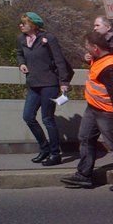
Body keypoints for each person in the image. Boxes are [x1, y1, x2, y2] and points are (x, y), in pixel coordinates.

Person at [61, 31, 113, 190]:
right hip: (94, 108)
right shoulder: (102, 58)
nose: (85, 49)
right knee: (85, 138)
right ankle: (84, 175)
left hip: (107, 112)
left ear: (95, 48)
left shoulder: (111, 69)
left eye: (87, 47)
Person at [16, 11, 72, 166]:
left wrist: (64, 81)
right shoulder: (21, 39)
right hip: (33, 83)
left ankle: (55, 154)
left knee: (47, 119)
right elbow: (19, 53)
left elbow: (59, 60)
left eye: (24, 23)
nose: (21, 25)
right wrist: (21, 63)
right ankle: (44, 148)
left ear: (33, 25)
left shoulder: (48, 38)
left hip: (49, 83)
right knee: (28, 116)